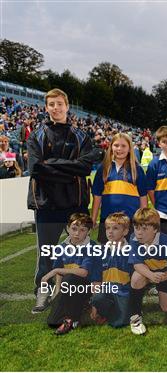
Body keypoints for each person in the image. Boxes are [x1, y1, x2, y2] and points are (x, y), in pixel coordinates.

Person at [28, 88, 101, 312]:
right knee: (47, 252)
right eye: (52, 104)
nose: (56, 108)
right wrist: (71, 171)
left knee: (81, 250)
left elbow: (85, 167)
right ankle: (43, 291)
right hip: (47, 203)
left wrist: (53, 164)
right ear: (46, 107)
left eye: (60, 104)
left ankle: (81, 292)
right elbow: (36, 169)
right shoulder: (36, 136)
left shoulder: (80, 136)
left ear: (67, 106)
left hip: (75, 204)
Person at [41, 213, 101, 334]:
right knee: (52, 322)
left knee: (69, 279)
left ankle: (72, 319)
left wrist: (55, 270)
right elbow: (60, 273)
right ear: (67, 228)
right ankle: (79, 310)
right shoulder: (61, 247)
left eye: (82, 230)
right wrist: (56, 293)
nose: (77, 233)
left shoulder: (92, 247)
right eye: (74, 229)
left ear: (88, 231)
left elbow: (83, 272)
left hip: (88, 289)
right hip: (68, 288)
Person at [128, 207, 167, 335]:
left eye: (144, 229)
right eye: (137, 228)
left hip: (165, 274)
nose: (139, 233)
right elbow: (137, 264)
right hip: (148, 273)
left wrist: (161, 278)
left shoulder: (166, 242)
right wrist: (151, 275)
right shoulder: (134, 239)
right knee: (136, 279)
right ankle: (135, 316)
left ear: (155, 229)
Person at [91, 133, 147, 244]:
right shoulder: (103, 168)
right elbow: (97, 196)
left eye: (123, 146)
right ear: (111, 147)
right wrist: (93, 218)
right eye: (116, 145)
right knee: (107, 256)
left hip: (130, 221)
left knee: (129, 256)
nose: (119, 149)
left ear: (129, 148)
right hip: (107, 221)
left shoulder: (137, 169)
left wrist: (142, 220)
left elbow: (143, 197)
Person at [90, 212, 133, 328]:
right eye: (108, 228)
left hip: (124, 291)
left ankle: (122, 310)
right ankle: (104, 311)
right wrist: (95, 306)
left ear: (125, 231)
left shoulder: (131, 251)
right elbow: (96, 279)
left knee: (119, 323)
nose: (110, 231)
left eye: (115, 228)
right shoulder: (100, 251)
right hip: (107, 290)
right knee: (98, 298)